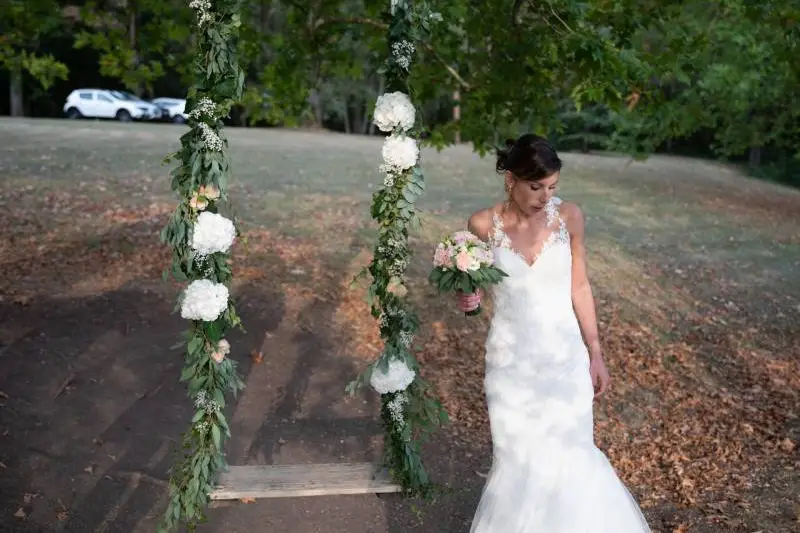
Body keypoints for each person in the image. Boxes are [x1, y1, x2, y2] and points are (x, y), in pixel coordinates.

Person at [459, 134, 651, 532]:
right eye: (536, 187)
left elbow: (579, 286)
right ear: (510, 180)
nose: (545, 197)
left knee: (571, 456)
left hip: (563, 359)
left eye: (552, 187)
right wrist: (467, 294)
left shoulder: (570, 219)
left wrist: (595, 351)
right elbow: (473, 287)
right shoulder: (481, 225)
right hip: (509, 362)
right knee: (516, 461)